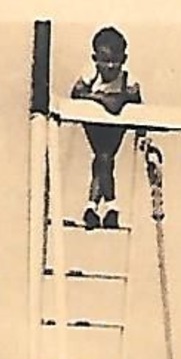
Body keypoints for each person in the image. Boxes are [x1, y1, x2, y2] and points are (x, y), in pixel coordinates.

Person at [68, 26, 142, 229]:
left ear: (124, 59)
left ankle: (94, 206)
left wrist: (97, 98)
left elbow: (120, 103)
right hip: (95, 122)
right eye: (105, 60)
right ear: (95, 58)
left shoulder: (128, 78)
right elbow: (75, 93)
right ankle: (109, 207)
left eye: (115, 61)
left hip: (116, 123)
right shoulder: (90, 73)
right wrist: (105, 100)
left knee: (103, 158)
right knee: (104, 157)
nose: (110, 66)